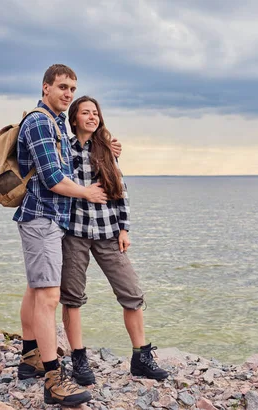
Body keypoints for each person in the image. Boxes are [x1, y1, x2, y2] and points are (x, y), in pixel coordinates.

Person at [14, 65, 112, 406]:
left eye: (73, 88)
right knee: (48, 297)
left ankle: (31, 359)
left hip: (48, 219)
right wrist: (87, 193)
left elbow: (68, 155)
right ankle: (54, 381)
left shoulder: (54, 121)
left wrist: (105, 143)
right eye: (63, 87)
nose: (69, 93)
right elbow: (53, 177)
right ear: (45, 87)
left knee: (35, 289)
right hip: (42, 218)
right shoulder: (40, 121)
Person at [60, 95, 169, 386]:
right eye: (85, 113)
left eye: (95, 113)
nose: (92, 117)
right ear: (74, 119)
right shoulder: (63, 149)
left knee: (132, 292)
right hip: (74, 232)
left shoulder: (107, 150)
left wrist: (124, 229)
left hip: (109, 232)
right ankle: (79, 359)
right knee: (72, 298)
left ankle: (141, 357)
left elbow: (120, 190)